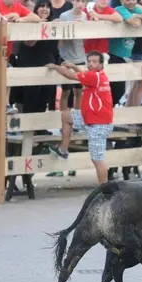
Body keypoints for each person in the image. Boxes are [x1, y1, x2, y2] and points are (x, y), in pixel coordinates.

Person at [47, 51, 114, 185]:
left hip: (99, 124)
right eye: (89, 61)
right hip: (90, 118)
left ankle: (104, 189)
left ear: (101, 64)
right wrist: (73, 65)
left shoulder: (94, 77)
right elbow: (82, 73)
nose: (91, 64)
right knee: (66, 116)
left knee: (97, 159)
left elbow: (70, 75)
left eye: (95, 62)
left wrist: (55, 66)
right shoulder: (97, 75)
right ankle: (63, 150)